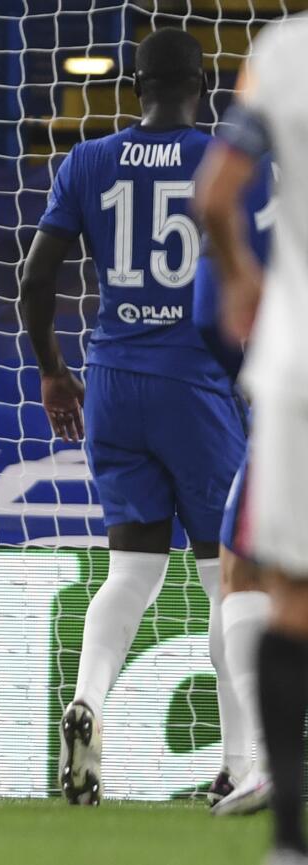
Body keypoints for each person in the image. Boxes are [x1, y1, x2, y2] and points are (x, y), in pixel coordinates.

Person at [19, 28, 247, 805]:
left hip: (111, 381)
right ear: (203, 85)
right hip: (196, 385)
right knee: (229, 581)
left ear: (136, 87)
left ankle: (88, 698)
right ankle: (240, 763)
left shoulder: (86, 160)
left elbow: (34, 279)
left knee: (131, 571)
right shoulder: (228, 163)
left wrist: (55, 371)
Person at [196, 13, 308, 862]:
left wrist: (241, 281)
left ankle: (284, 829)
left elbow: (215, 191)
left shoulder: (281, 52)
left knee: (276, 586)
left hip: (298, 365)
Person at [190, 158, 276, 817]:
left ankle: (264, 763)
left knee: (241, 572)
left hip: (289, 405)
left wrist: (250, 371)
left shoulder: (247, 187)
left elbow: (203, 313)